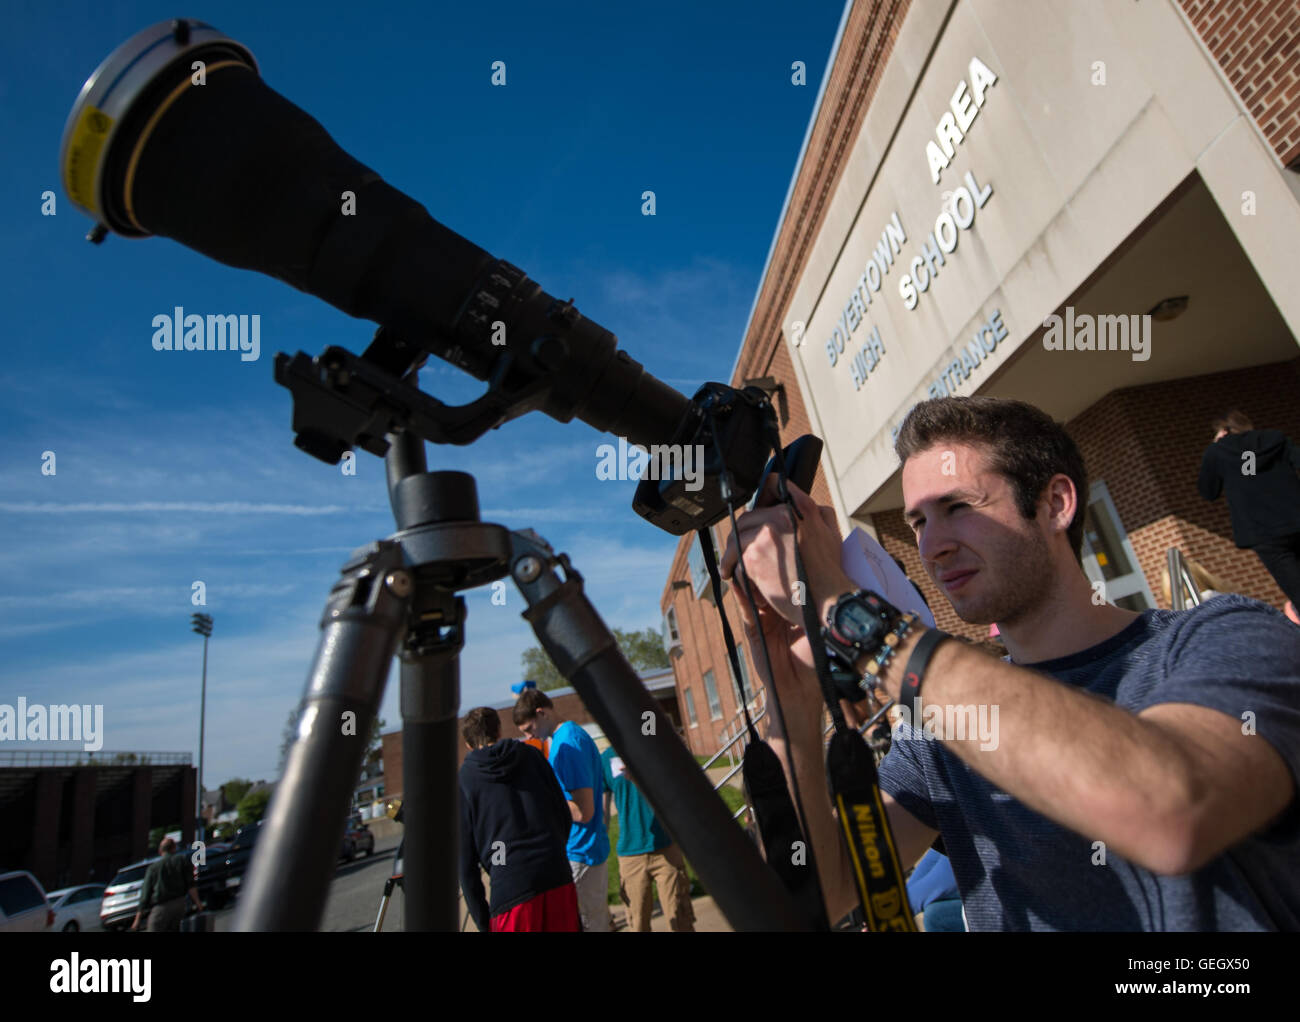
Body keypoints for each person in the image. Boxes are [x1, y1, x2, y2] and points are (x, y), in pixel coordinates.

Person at [721, 395, 1300, 931]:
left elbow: (1174, 811)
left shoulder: (1228, 637)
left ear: (1055, 504)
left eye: (958, 507)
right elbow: (828, 891)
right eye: (919, 521)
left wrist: (844, 611)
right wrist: (790, 693)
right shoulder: (938, 729)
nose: (933, 545)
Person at [458, 706, 579, 932]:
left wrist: (484, 923)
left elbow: (466, 866)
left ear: (468, 744)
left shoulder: (464, 781)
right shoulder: (531, 756)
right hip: (556, 875)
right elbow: (563, 812)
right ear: (499, 731)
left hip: (511, 889)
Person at [513, 689, 611, 931]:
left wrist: (541, 798)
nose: (529, 736)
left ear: (541, 713)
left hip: (581, 853)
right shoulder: (569, 736)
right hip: (584, 850)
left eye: (528, 729)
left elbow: (583, 810)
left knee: (589, 925)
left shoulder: (567, 744)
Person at [1198, 409, 1300, 616]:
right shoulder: (1275, 439)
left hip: (1264, 533)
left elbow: (1208, 491)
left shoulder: (1218, 451)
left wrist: (1219, 448)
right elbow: (1250, 463)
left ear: (1224, 431)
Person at [600, 744, 695, 931]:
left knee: (680, 921)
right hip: (631, 855)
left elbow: (648, 719)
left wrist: (640, 774)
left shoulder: (648, 746)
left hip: (666, 847)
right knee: (638, 924)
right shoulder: (605, 759)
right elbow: (603, 812)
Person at [132, 837, 203, 931]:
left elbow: (145, 895)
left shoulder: (153, 868)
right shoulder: (182, 860)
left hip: (161, 908)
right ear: (174, 848)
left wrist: (137, 920)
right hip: (180, 904)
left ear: (160, 851)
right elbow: (191, 885)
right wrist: (198, 903)